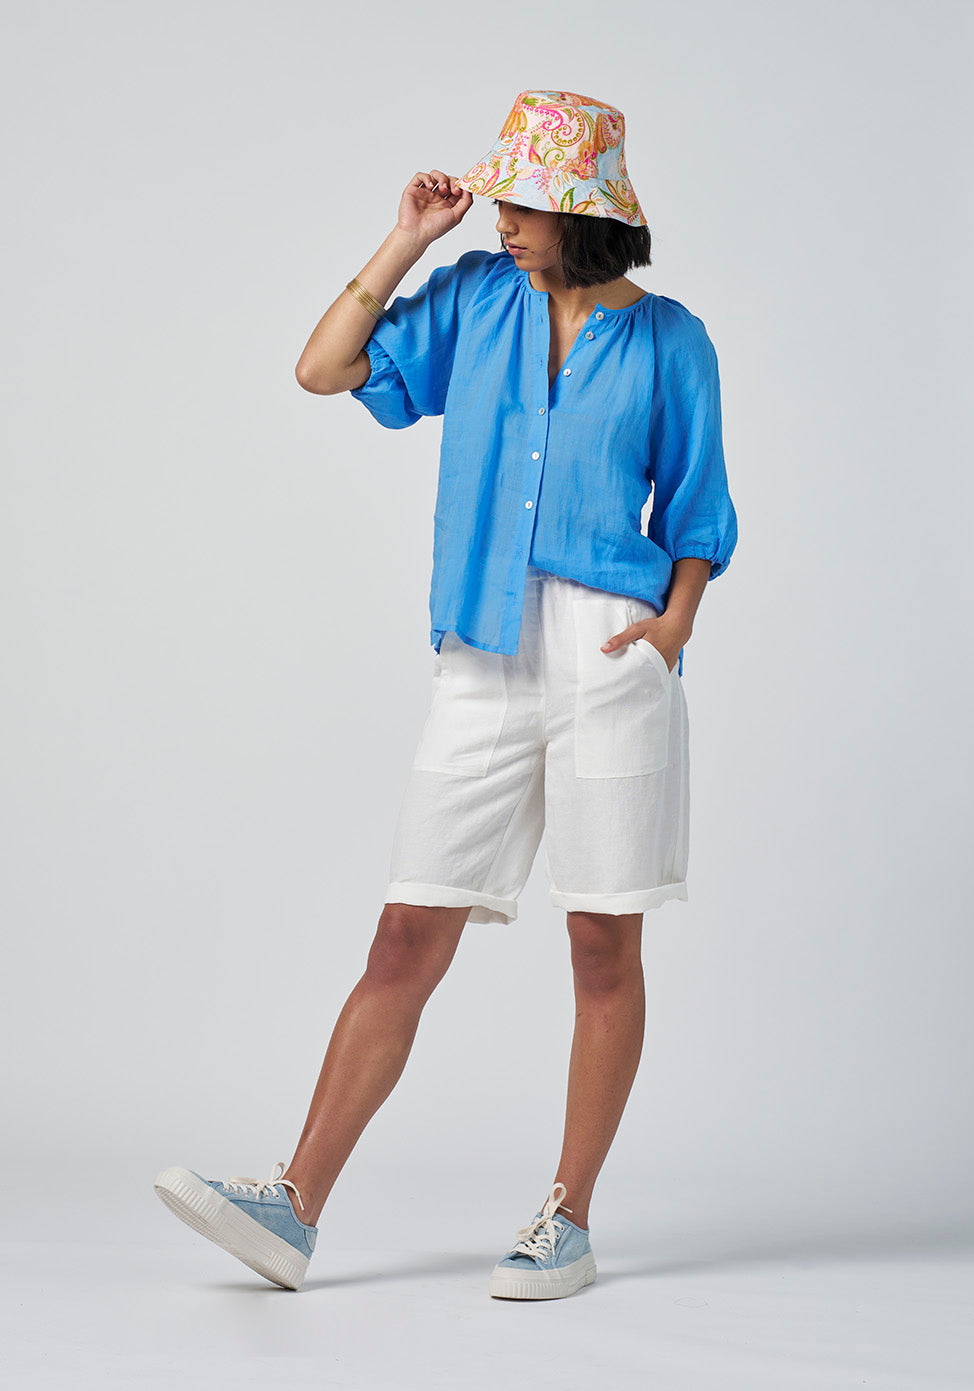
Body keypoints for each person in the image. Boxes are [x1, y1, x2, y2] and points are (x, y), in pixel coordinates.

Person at [153, 90, 738, 1301]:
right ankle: (293, 1206)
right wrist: (407, 238)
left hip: (610, 649)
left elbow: (696, 508)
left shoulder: (672, 341)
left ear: (581, 210)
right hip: (481, 645)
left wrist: (674, 626)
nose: (500, 218)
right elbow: (322, 368)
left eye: (522, 200)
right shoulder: (473, 298)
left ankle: (568, 1218)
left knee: (601, 939)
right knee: (406, 928)